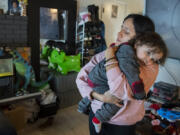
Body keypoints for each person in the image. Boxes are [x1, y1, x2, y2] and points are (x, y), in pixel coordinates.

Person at [76, 14, 168, 135]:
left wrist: (110, 59)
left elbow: (120, 91)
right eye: (121, 28)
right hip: (95, 113)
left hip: (121, 125)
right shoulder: (112, 50)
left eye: (126, 31)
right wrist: (98, 96)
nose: (119, 34)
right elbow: (81, 78)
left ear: (141, 39)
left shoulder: (149, 65)